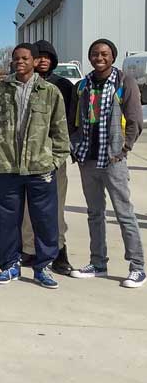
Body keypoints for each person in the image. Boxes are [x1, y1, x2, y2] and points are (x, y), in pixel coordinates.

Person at [0, 42, 69, 289]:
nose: (19, 62)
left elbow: (60, 131)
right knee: (8, 222)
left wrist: (53, 161)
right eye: (16, 58)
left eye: (24, 58)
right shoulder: (1, 91)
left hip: (40, 169)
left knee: (44, 220)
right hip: (7, 169)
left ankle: (42, 267)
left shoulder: (50, 92)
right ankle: (10, 265)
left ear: (34, 61)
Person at [69, 38, 145, 289]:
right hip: (88, 159)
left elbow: (134, 120)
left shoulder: (125, 83)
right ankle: (98, 263)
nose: (99, 57)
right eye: (94, 54)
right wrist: (75, 147)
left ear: (112, 56)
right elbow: (73, 120)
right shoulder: (83, 85)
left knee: (124, 213)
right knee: (94, 213)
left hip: (113, 159)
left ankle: (137, 267)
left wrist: (124, 149)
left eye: (104, 53)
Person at [18, 40, 75, 275]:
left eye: (47, 57)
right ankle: (29, 249)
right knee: (28, 209)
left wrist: (59, 153)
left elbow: (70, 122)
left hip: (52, 158)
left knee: (56, 206)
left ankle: (58, 250)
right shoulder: (21, 84)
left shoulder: (63, 85)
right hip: (26, 159)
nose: (43, 60)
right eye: (38, 56)